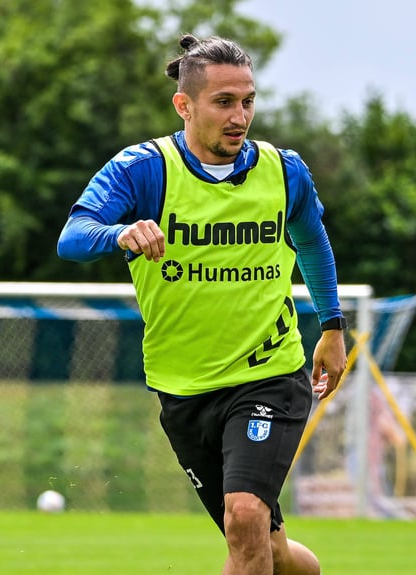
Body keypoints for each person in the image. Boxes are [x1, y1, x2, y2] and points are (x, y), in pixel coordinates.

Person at [57, 35, 347, 575]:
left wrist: (332, 326)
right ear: (184, 105)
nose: (240, 117)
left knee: (243, 518)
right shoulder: (143, 170)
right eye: (223, 102)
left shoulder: (285, 173)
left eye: (248, 101)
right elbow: (72, 237)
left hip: (269, 375)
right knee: (268, 546)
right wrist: (119, 234)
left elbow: (312, 241)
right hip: (183, 388)